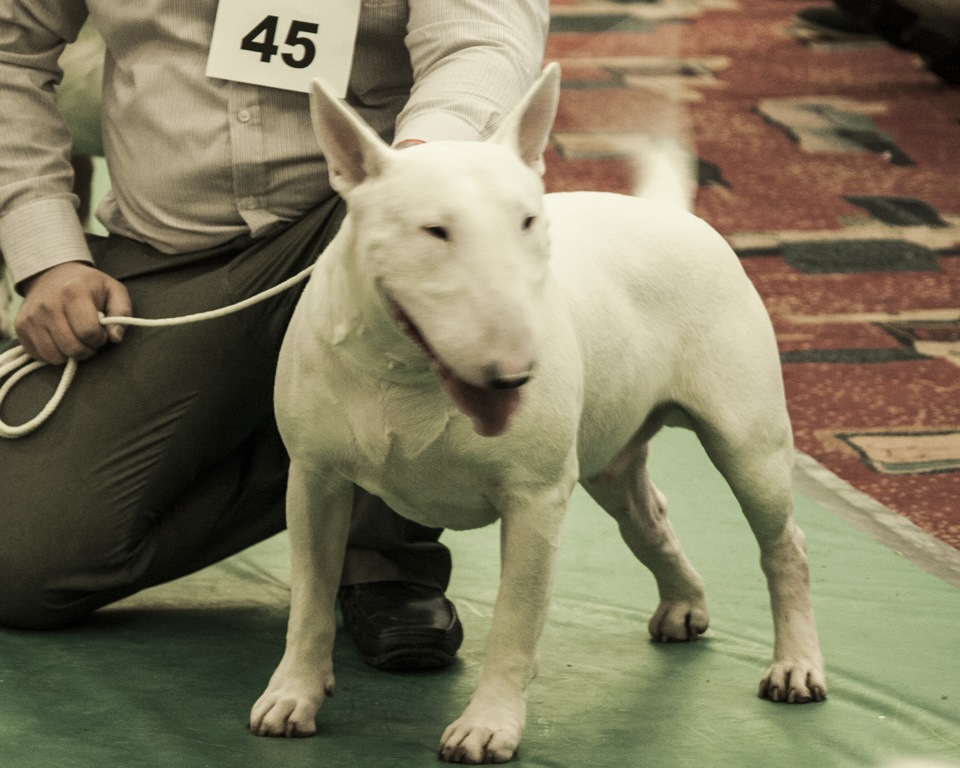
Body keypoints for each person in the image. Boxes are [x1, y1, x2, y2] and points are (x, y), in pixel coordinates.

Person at [0, 1, 550, 672]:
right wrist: (47, 249)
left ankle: (383, 553)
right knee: (25, 566)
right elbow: (9, 48)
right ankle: (322, 452)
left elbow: (483, 40)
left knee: (422, 261)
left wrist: (414, 177)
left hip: (357, 211)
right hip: (168, 247)